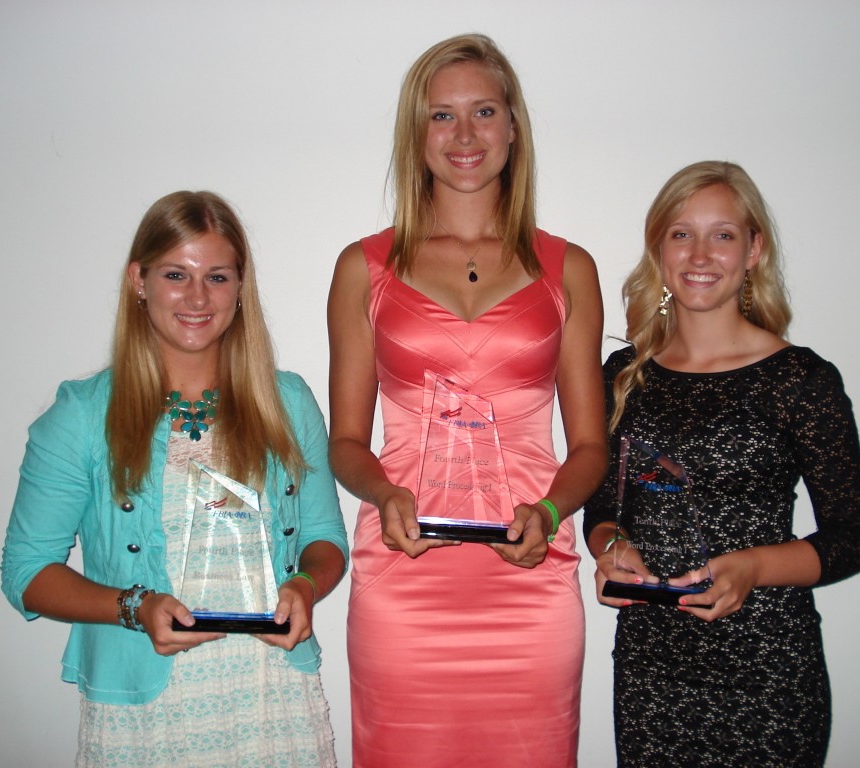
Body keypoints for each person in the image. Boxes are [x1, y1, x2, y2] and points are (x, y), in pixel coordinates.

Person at [327, 34, 607, 768]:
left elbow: (590, 449)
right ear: (415, 135)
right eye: (440, 115)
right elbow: (346, 445)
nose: (464, 135)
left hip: (530, 578)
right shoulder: (363, 267)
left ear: (513, 127)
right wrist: (385, 493)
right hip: (404, 576)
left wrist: (547, 513)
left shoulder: (570, 268)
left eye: (483, 111)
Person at [1, 191, 348, 767]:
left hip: (271, 699)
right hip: (145, 715)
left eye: (216, 276)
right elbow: (25, 573)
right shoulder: (83, 415)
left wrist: (305, 587)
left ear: (241, 287)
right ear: (139, 280)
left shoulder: (286, 401)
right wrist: (135, 607)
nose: (196, 297)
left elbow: (325, 539)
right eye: (175, 274)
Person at [583, 161, 860, 767]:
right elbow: (604, 506)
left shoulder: (801, 380)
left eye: (723, 234)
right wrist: (609, 548)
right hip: (651, 669)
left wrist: (750, 568)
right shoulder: (622, 377)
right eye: (681, 233)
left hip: (768, 668)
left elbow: (855, 537)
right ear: (658, 249)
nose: (700, 253)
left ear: (754, 250)